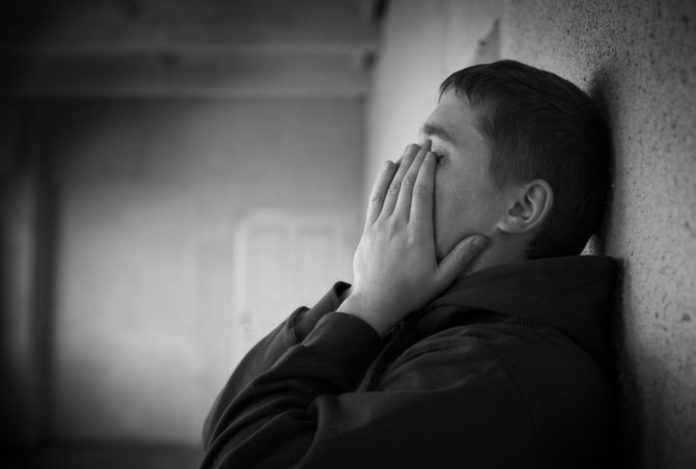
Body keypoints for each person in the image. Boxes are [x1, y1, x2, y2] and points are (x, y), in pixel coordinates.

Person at [200, 60, 616, 468]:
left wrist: (366, 307)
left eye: (435, 151)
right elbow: (223, 428)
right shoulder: (434, 322)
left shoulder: (495, 374)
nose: (404, 171)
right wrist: (362, 299)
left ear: (523, 207)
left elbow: (239, 455)